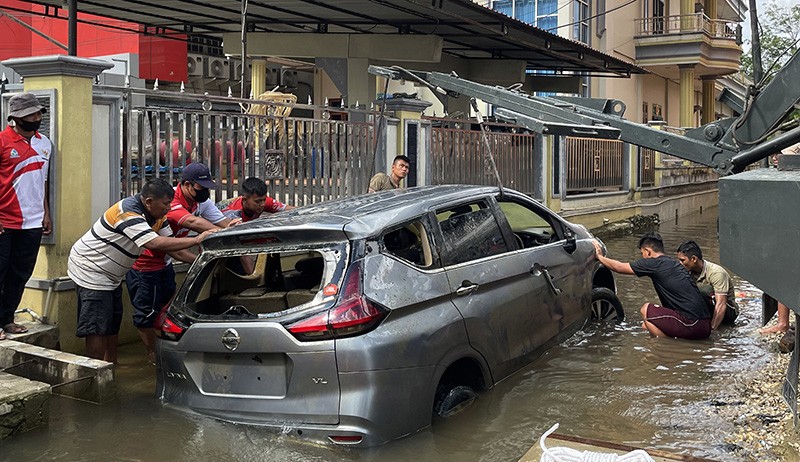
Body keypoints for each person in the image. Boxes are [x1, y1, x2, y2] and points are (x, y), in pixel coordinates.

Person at [68, 178, 214, 363]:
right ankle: (93, 370)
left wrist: (204, 262)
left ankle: (111, 364)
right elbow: (153, 243)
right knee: (97, 325)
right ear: (149, 202)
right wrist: (196, 240)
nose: (169, 208)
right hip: (91, 270)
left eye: (170, 202)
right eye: (166, 203)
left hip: (111, 274)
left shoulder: (158, 216)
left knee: (113, 321)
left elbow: (173, 249)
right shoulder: (127, 212)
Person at [126, 162, 236, 362]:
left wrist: (233, 227)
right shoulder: (171, 201)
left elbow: (220, 222)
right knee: (145, 313)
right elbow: (193, 223)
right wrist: (211, 239)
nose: (205, 193)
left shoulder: (200, 201)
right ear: (186, 185)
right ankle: (153, 354)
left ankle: (165, 349)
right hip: (144, 266)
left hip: (166, 263)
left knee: (168, 307)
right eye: (200, 188)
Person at [593, 232, 711, 340]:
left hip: (692, 324)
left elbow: (618, 267)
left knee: (646, 309)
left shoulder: (654, 263)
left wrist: (600, 257)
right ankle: (670, 344)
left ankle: (666, 345)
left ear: (648, 251)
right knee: (646, 325)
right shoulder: (674, 263)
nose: (642, 257)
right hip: (705, 326)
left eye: (642, 253)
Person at [0, 93, 52, 340]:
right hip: (4, 220)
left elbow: (42, 181)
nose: (36, 118)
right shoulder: (2, 141)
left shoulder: (45, 144)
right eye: (31, 114)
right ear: (16, 118)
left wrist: (46, 213)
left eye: (38, 113)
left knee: (20, 272)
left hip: (33, 221)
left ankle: (7, 319)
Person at [676, 240, 738, 329]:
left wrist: (712, 330)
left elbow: (721, 304)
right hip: (707, 308)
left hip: (728, 311)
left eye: (682, 260)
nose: (680, 264)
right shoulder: (687, 272)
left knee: (705, 290)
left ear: (693, 259)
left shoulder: (716, 273)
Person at [220, 176, 294, 223]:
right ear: (245, 200)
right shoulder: (232, 214)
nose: (263, 204)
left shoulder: (262, 201)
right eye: (258, 201)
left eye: (264, 200)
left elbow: (292, 209)